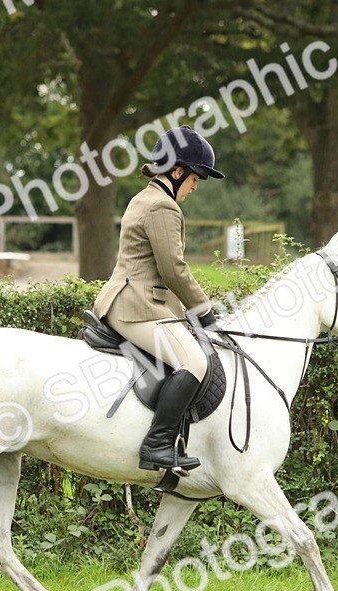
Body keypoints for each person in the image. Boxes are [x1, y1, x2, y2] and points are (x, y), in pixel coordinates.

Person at [92, 125, 223, 475]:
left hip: (133, 300)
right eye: (196, 177)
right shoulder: (163, 207)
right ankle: (157, 445)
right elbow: (173, 269)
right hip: (136, 307)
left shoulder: (144, 197)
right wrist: (205, 310)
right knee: (195, 362)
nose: (196, 186)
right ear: (177, 171)